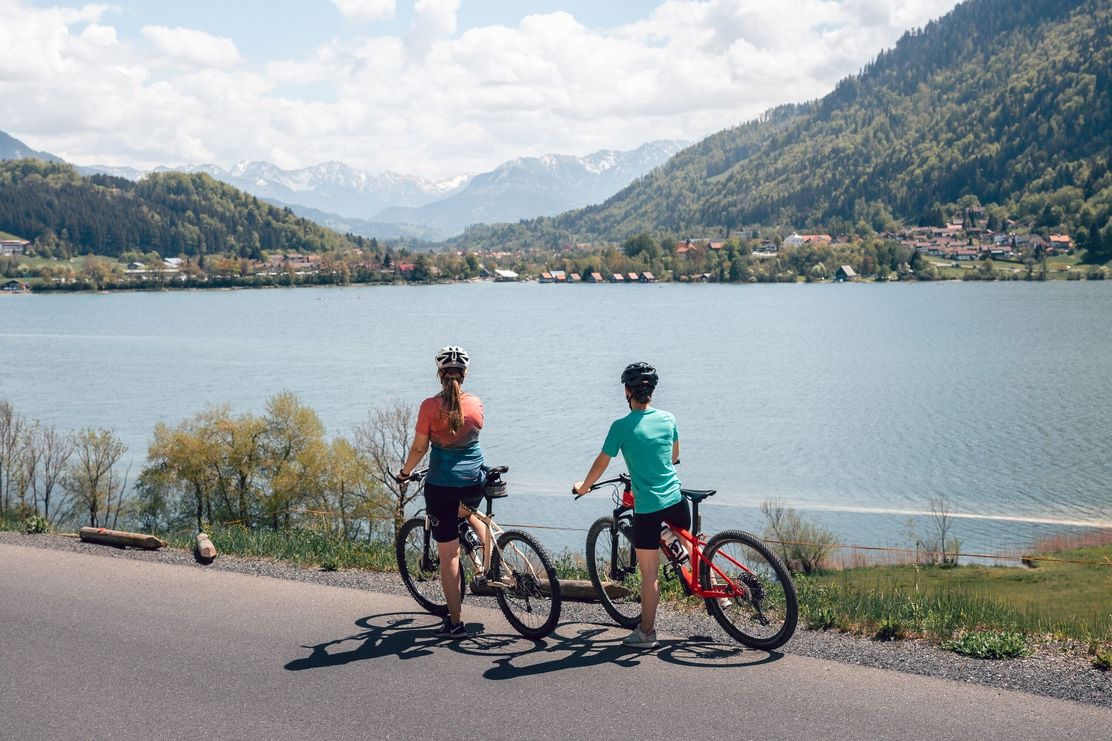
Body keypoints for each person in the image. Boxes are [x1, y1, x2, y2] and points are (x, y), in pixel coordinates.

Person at [573, 361, 687, 649]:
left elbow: (602, 461)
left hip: (649, 508)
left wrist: (584, 486)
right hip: (676, 499)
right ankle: (716, 592)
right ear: (652, 392)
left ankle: (646, 633)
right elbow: (674, 457)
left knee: (650, 574)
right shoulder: (668, 418)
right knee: (688, 548)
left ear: (627, 391)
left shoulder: (621, 427)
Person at [397, 345, 487, 639]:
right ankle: (485, 567)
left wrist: (405, 472)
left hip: (442, 485)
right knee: (473, 513)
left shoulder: (429, 407)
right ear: (465, 374)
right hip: (475, 482)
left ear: (439, 374)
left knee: (448, 554)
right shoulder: (476, 404)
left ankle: (456, 623)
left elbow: (420, 447)